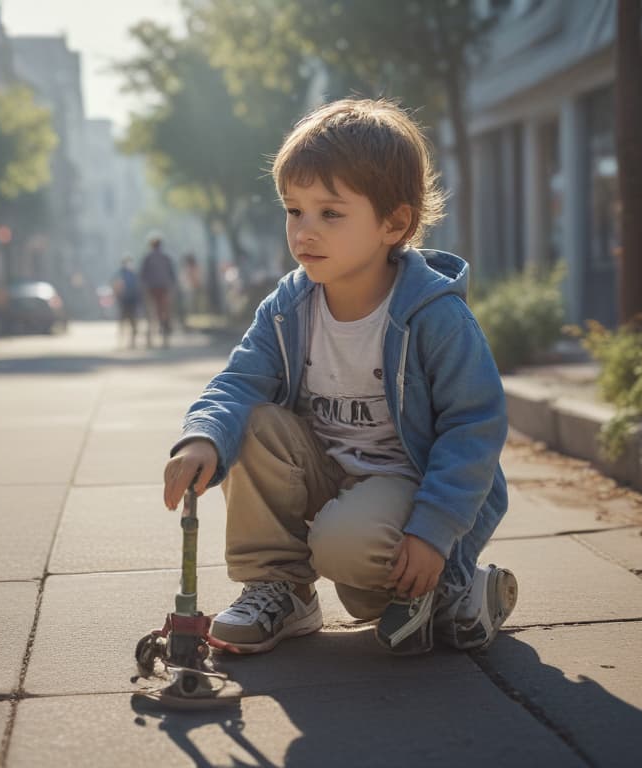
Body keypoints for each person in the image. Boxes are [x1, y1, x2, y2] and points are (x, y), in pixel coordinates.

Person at [161, 98, 517, 657]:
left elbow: (475, 425)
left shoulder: (433, 315)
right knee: (250, 423)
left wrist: (432, 531)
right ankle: (281, 589)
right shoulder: (289, 307)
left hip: (411, 490)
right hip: (331, 477)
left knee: (358, 578)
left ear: (393, 223)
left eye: (330, 213)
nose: (305, 231)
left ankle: (456, 587)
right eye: (293, 210)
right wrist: (204, 435)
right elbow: (239, 382)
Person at [139, 232, 176, 348]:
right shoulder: (166, 257)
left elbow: (142, 275)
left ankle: (150, 340)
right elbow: (172, 275)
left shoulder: (147, 258)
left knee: (151, 314)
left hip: (152, 289)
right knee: (164, 313)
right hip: (164, 288)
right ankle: (165, 340)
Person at [112, 257, 141, 348]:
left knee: (128, 321)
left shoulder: (130, 274)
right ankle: (124, 341)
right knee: (127, 321)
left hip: (129, 300)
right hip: (126, 300)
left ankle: (131, 341)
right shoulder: (125, 274)